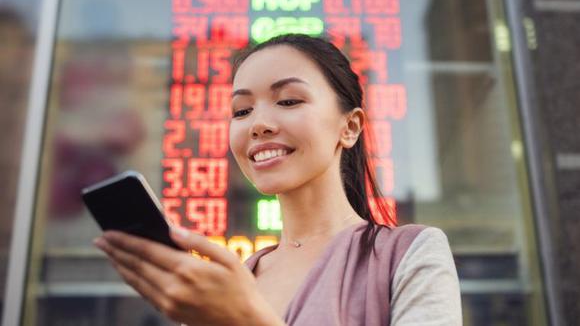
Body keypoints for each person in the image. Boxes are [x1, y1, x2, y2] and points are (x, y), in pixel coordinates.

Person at [93, 33, 462, 325]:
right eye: (242, 110)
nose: (259, 124)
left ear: (349, 126)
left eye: (288, 101)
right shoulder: (232, 282)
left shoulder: (412, 253)